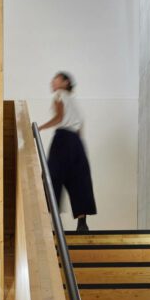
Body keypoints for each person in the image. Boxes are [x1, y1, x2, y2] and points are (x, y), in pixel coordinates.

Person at [37, 72, 97, 233]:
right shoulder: (74, 101)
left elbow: (59, 118)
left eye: (55, 79)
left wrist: (40, 127)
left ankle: (54, 222)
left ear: (65, 82)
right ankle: (82, 223)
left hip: (63, 138)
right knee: (79, 180)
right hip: (76, 142)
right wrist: (78, 147)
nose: (52, 82)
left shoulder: (59, 95)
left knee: (52, 177)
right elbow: (80, 126)